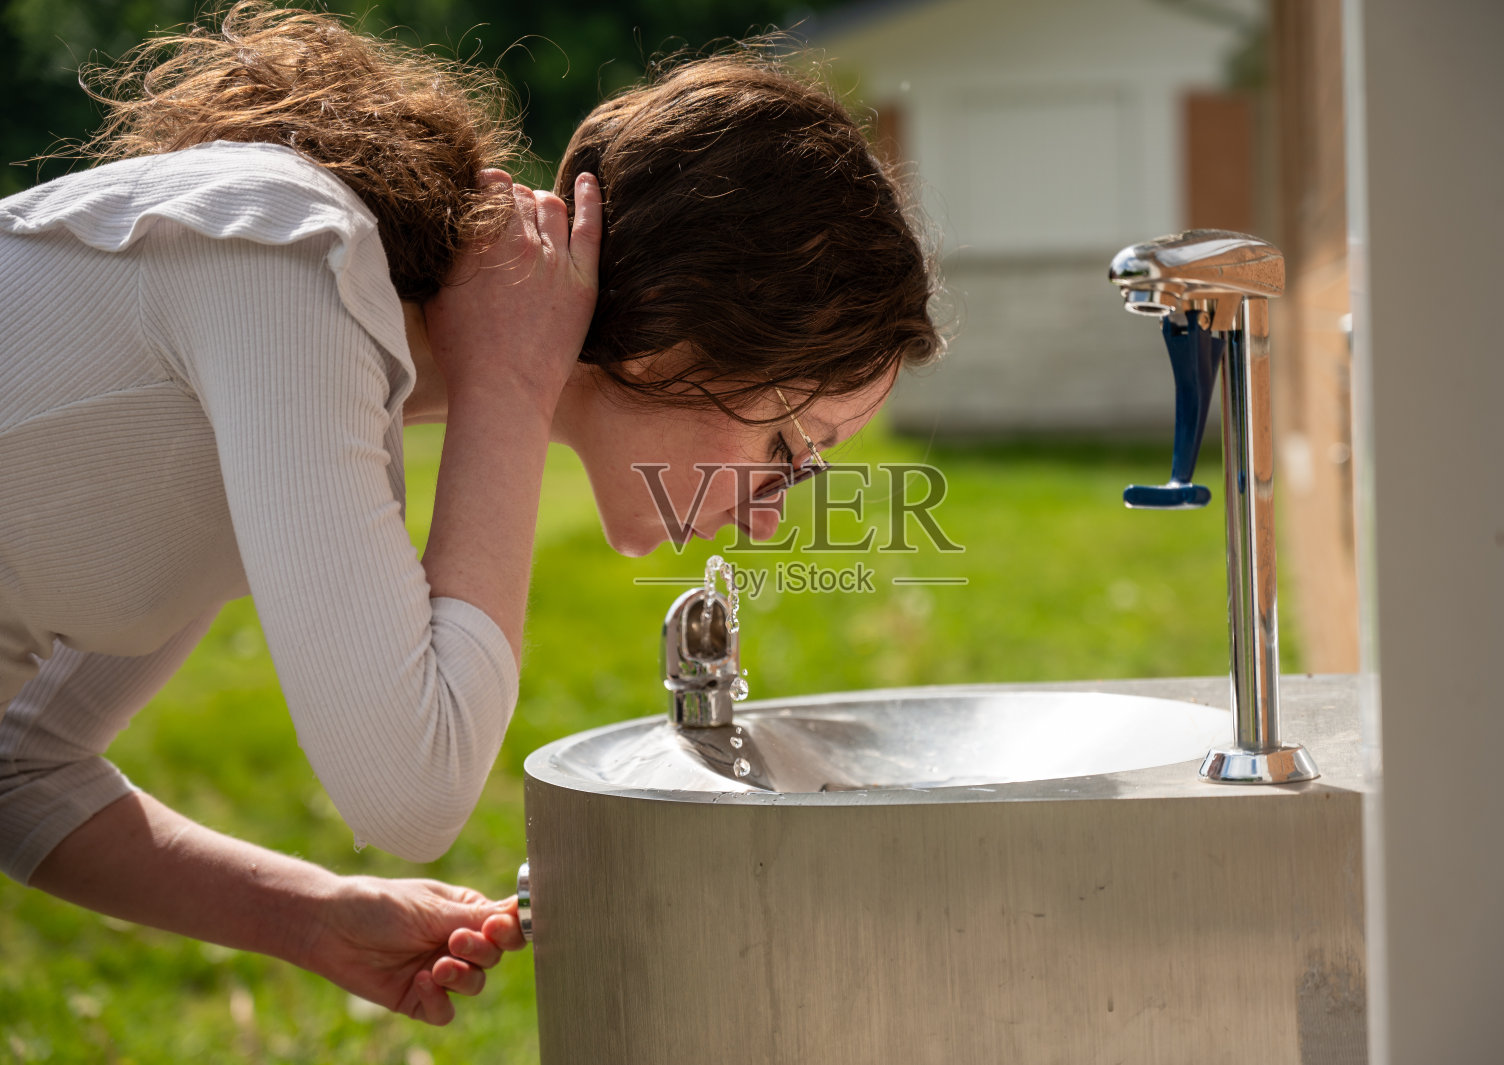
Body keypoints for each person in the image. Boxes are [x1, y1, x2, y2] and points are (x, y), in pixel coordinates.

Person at [0, 1, 939, 1025]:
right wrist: (510, 384)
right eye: (790, 448)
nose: (770, 519)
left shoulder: (327, 361)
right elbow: (412, 794)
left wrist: (309, 917)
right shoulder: (280, 257)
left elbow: (22, 764)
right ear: (679, 337)